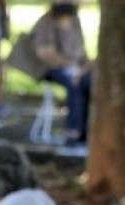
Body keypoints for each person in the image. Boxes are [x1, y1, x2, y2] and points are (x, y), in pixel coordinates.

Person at [10, 2, 90, 144]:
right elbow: (44, 53)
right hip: (51, 69)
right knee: (74, 85)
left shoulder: (74, 21)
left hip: (76, 68)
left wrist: (81, 69)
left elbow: (82, 52)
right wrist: (70, 66)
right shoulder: (46, 22)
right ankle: (73, 132)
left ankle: (85, 131)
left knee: (87, 82)